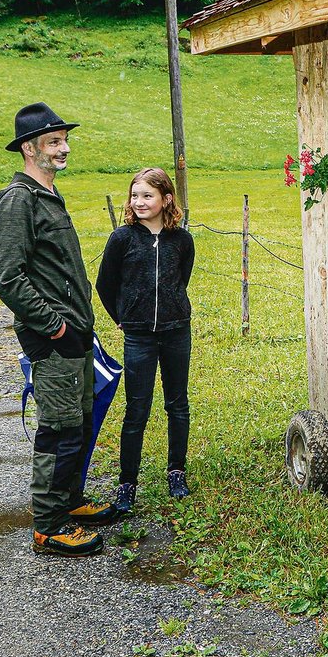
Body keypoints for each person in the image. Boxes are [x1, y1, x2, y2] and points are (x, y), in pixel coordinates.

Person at [0, 102, 117, 557]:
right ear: (29, 149)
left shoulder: (47, 194)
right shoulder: (18, 200)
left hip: (76, 333)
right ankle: (48, 524)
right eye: (53, 142)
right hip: (54, 338)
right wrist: (55, 327)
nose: (63, 148)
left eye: (64, 140)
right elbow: (7, 277)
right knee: (59, 429)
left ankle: (70, 502)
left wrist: (79, 325)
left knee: (79, 422)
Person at [95, 167, 196, 511]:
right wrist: (122, 317)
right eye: (135, 195)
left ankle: (176, 470)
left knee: (177, 404)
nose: (139, 202)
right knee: (137, 408)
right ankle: (127, 482)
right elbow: (105, 285)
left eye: (147, 196)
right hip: (138, 336)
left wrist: (171, 307)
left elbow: (181, 278)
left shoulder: (181, 240)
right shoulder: (122, 239)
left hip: (176, 331)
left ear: (166, 199)